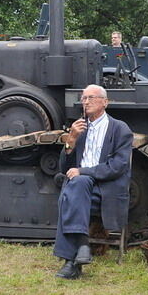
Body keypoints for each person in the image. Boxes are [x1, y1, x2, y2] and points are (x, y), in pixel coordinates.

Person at [54, 84, 133, 279]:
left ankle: (72, 259)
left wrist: (83, 171)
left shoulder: (119, 129)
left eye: (91, 98)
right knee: (77, 185)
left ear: (105, 102)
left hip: (106, 189)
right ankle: (81, 248)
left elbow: (117, 167)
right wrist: (70, 140)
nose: (86, 102)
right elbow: (65, 167)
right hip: (81, 188)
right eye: (83, 98)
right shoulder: (79, 128)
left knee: (72, 191)